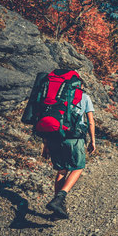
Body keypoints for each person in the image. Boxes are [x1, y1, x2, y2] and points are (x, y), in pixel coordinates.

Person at [42, 91, 96, 219]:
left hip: (54, 137)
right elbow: (90, 121)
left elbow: (46, 118)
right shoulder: (84, 97)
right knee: (78, 167)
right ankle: (60, 198)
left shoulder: (54, 94)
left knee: (61, 171)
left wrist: (45, 144)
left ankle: (57, 210)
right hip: (73, 138)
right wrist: (93, 140)